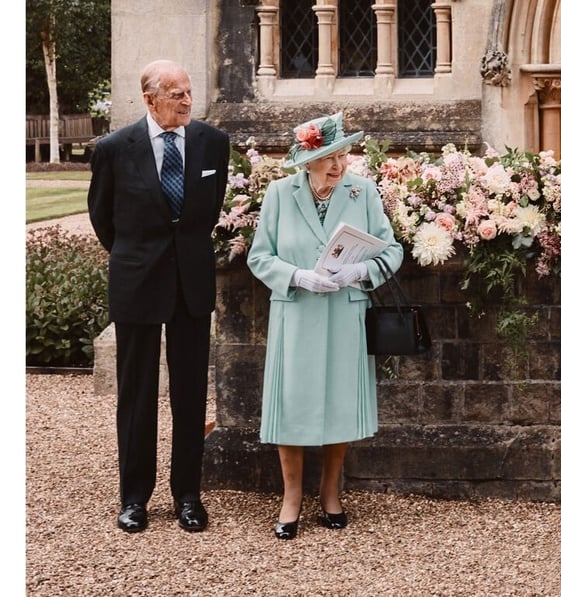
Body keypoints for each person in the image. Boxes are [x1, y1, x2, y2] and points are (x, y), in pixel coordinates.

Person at [88, 59, 230, 533]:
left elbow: (207, 214)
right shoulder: (113, 149)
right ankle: (134, 498)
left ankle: (188, 494)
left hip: (191, 284)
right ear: (150, 99)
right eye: (177, 94)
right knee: (136, 393)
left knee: (190, 394)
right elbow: (103, 220)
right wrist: (140, 258)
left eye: (189, 92)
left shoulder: (214, 143)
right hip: (137, 281)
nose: (188, 101)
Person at [246, 112, 404, 540]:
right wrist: (297, 277)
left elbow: (391, 252)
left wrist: (359, 273)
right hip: (295, 310)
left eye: (343, 154)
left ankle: (330, 491)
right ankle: (291, 496)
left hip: (344, 310)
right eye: (328, 157)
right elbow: (259, 257)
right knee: (291, 404)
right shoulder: (280, 194)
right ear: (307, 160)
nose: (338, 165)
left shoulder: (363, 192)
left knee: (338, 402)